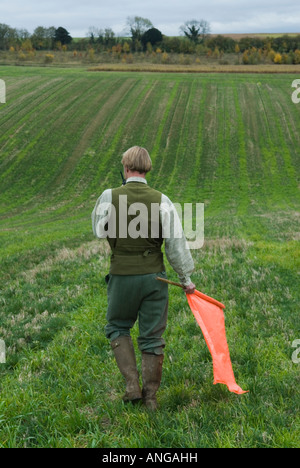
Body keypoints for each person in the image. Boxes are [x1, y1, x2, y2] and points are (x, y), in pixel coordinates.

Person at [92, 146, 195, 410]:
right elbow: (176, 244)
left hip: (121, 276)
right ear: (147, 169)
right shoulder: (162, 200)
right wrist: (185, 278)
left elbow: (98, 231)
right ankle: (150, 398)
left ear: (126, 168)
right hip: (155, 280)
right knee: (152, 338)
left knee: (117, 326)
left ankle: (131, 387)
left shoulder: (108, 196)